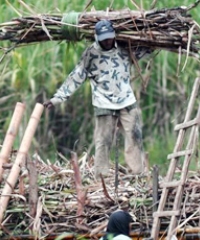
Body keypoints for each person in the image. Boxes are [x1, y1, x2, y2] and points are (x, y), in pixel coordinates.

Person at [43, 19, 152, 178]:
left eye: (109, 37)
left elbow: (145, 49)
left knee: (135, 137)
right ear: (97, 37)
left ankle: (138, 174)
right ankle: (101, 177)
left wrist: (154, 37)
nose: (107, 41)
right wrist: (57, 98)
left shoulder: (124, 47)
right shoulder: (91, 54)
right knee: (103, 141)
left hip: (127, 100)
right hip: (104, 103)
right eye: (104, 38)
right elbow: (76, 77)